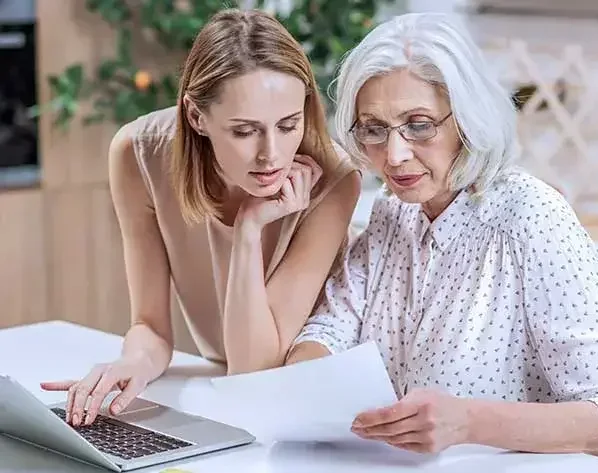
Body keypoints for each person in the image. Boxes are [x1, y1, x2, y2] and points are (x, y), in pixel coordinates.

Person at [285, 12, 598, 466]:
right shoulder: (393, 209)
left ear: (466, 117)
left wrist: (468, 422)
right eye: (374, 129)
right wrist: (303, 383)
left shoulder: (531, 218)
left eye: (419, 124)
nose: (394, 155)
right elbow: (330, 327)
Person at [40, 9, 361, 427]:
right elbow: (150, 326)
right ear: (196, 116)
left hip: (306, 403)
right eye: (245, 131)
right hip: (221, 389)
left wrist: (248, 231)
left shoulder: (333, 180)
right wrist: (132, 362)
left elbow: (256, 373)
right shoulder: (139, 155)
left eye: (288, 125)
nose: (272, 154)